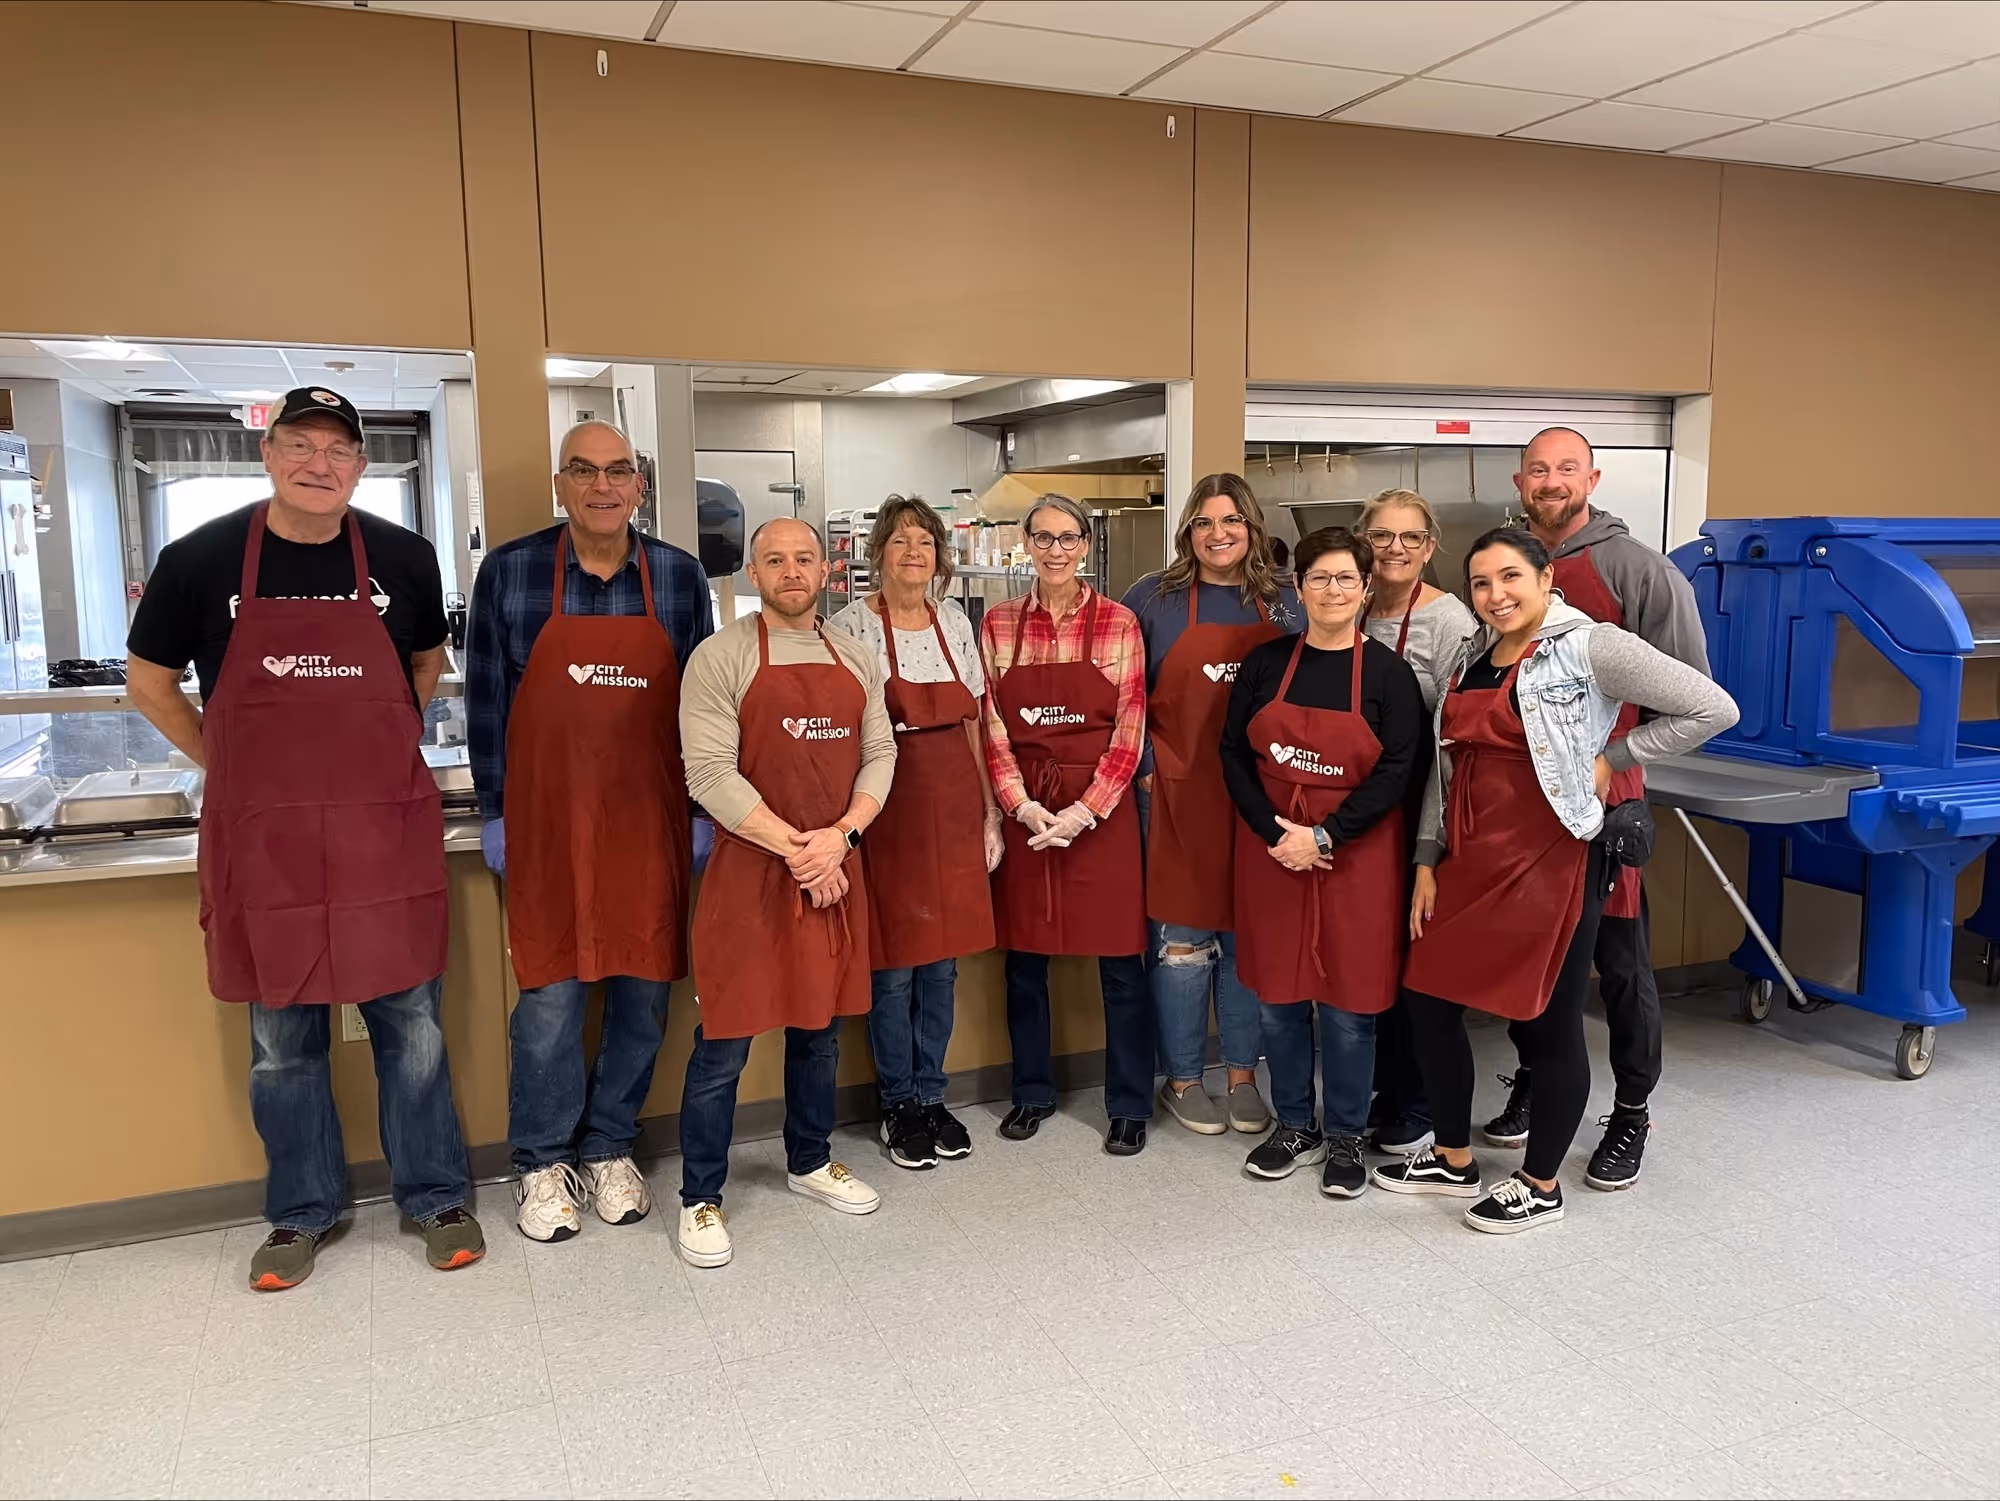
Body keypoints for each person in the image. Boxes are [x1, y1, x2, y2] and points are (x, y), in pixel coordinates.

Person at [125, 386, 482, 1290]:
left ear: (361, 466)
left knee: (413, 1029)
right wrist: (227, 763)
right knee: (282, 1039)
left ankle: (436, 1196)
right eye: (301, 445)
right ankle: (300, 1212)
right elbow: (150, 682)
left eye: (339, 451)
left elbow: (423, 664)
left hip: (381, 841)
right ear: (268, 452)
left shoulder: (402, 556)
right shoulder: (201, 559)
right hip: (268, 849)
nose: (320, 464)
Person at [1374, 529, 1736, 1233]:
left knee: (1547, 1019)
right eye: (1480, 583)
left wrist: (1619, 753)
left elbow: (1711, 706)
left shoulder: (1591, 644)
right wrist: (1426, 856)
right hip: (1469, 857)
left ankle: (1539, 1183)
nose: (1495, 594)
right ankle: (1452, 1157)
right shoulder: (1472, 653)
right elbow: (1447, 769)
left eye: (1510, 576)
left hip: (1555, 855)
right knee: (1427, 997)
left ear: (1545, 578)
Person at [466, 420, 712, 1243]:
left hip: (650, 820)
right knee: (551, 999)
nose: (602, 487)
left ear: (639, 485)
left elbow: (700, 708)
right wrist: (497, 812)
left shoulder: (678, 578)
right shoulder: (511, 571)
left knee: (644, 993)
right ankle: (540, 1161)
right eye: (584, 471)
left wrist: (703, 812)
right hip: (548, 823)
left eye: (618, 472)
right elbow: (488, 705)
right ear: (560, 483)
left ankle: (610, 1144)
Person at [1489, 428, 1711, 1190]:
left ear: (1594, 477)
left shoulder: (1638, 572)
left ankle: (1632, 1110)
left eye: (1567, 469)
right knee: (1530, 955)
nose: (1552, 481)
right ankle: (1537, 1078)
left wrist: (1612, 761)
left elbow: (1691, 695)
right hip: (1520, 809)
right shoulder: (1505, 568)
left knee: (1620, 963)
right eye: (1539, 470)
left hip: (1603, 804)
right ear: (1521, 481)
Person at [676, 517, 895, 1267]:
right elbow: (709, 774)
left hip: (836, 867)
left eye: (804, 558)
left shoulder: (856, 656)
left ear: (827, 569)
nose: (792, 570)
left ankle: (808, 1159)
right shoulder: (720, 656)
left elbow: (880, 753)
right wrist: (801, 850)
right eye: (776, 559)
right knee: (725, 1044)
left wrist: (844, 837)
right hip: (751, 876)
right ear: (751, 570)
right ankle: (700, 1196)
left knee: (819, 1028)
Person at [1222, 528, 1426, 1195]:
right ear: (1299, 586)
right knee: (1278, 999)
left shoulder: (1389, 677)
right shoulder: (1265, 664)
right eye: (1319, 578)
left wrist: (1328, 835)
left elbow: (1398, 769)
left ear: (1366, 588)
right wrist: (1274, 832)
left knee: (1347, 1004)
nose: (1332, 590)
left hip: (1357, 857)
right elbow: (1232, 754)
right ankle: (1294, 1125)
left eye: (1345, 578)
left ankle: (1342, 1133)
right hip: (1273, 850)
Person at [1123, 474, 1299, 1137]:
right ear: (1186, 531)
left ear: (1252, 527)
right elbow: (1122, 693)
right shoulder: (1154, 599)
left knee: (1245, 939)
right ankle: (1185, 1076)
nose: (1218, 533)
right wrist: (1142, 769)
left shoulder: (1285, 603)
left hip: (1257, 800)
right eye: (1203, 522)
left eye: (1231, 521)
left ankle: (1243, 1074)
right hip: (1173, 795)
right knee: (1181, 946)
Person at [828, 495, 999, 1171]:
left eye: (924, 542)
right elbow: (845, 736)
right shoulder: (849, 627)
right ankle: (898, 1102)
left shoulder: (955, 621)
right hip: (887, 814)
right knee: (894, 970)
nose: (912, 552)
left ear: (939, 557)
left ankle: (933, 1093)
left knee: (943, 966)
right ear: (879, 554)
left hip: (956, 812)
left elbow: (974, 723)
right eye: (900, 541)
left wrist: (990, 814)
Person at [981, 494, 1154, 1155]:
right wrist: (1020, 804)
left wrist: (1085, 811)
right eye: (1043, 537)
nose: (1056, 549)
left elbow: (1131, 727)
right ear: (1026, 543)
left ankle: (1130, 1103)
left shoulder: (1120, 623)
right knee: (1025, 961)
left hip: (1098, 814)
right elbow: (990, 722)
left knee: (1121, 966)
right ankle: (1030, 1092)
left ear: (1086, 545)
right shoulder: (997, 624)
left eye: (1068, 537)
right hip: (1028, 808)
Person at [1355, 490, 1479, 1158]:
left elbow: (1455, 735)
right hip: (1363, 809)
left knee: (1416, 963)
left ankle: (1422, 1103)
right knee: (1376, 958)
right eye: (1381, 535)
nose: (1394, 548)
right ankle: (1384, 1090)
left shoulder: (1450, 621)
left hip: (1422, 805)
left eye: (1409, 537)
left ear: (1431, 546)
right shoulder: (1353, 604)